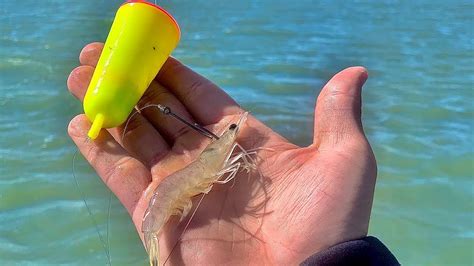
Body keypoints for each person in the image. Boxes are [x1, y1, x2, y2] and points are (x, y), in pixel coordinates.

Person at [67, 42, 399, 265]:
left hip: (177, 197)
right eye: (229, 133)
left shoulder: (218, 154)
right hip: (164, 206)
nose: (232, 134)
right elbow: (213, 173)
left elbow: (216, 170)